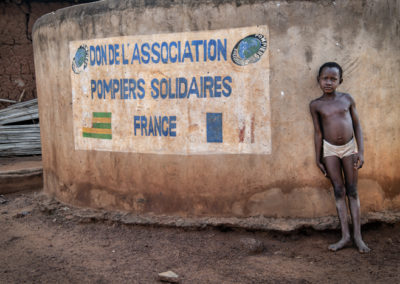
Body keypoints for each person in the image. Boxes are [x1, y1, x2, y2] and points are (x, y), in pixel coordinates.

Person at [309, 62, 370, 253]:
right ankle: (345, 236)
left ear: (339, 81)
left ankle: (358, 237)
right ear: (319, 80)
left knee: (352, 190)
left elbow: (357, 126)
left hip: (350, 148)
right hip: (330, 150)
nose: (328, 82)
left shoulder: (347, 99)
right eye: (325, 78)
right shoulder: (315, 105)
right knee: (338, 189)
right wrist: (318, 157)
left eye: (333, 79)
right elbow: (318, 132)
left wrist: (360, 151)